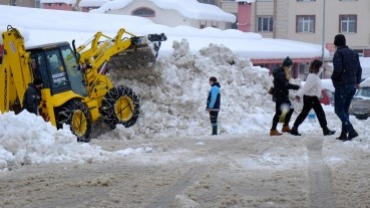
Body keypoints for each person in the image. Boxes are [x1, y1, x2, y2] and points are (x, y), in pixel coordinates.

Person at [290, 59, 335, 136]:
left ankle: (294, 128)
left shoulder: (314, 76)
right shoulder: (313, 77)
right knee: (320, 113)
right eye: (321, 66)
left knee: (304, 113)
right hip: (311, 98)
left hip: (310, 97)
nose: (322, 68)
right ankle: (325, 130)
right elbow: (306, 87)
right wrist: (299, 94)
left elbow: (309, 85)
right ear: (317, 67)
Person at [331, 34, 362, 141]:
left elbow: (338, 70)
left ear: (335, 43)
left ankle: (351, 131)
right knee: (344, 110)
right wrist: (357, 81)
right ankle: (344, 134)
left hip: (342, 86)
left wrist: (333, 78)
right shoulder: (354, 53)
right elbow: (359, 69)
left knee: (339, 110)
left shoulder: (338, 54)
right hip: (352, 86)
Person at [270, 56, 300, 136]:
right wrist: (296, 87)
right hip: (281, 95)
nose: (290, 68)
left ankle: (284, 126)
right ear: (288, 66)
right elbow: (286, 85)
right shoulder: (282, 73)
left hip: (280, 95)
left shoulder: (280, 72)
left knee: (286, 110)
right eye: (290, 67)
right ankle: (274, 129)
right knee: (281, 112)